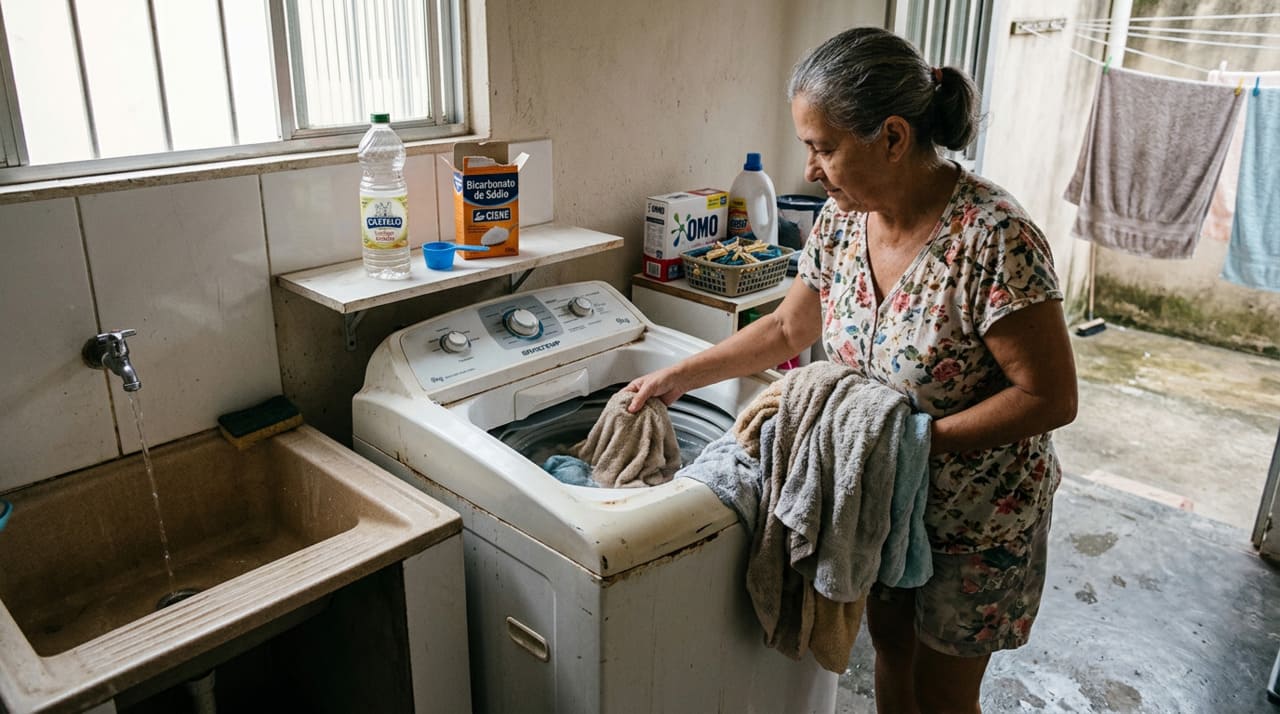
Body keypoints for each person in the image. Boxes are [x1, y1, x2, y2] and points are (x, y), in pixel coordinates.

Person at [626, 26, 1078, 714]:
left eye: (824, 147)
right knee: (892, 655)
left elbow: (1048, 396)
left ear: (892, 137)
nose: (810, 169)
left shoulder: (993, 238)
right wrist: (677, 376)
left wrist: (913, 445)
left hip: (975, 518)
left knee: (944, 694)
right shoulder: (841, 224)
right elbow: (787, 328)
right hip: (879, 498)